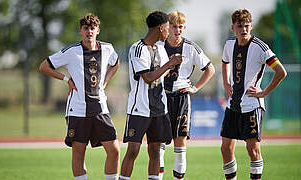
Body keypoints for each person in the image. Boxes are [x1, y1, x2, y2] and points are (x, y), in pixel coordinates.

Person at [39, 13, 120, 180]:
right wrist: (66, 79)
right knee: (79, 153)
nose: (89, 32)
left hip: (100, 108)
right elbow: (44, 66)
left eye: (92, 28)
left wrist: (105, 81)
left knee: (114, 150)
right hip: (77, 109)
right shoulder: (71, 51)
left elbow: (116, 63)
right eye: (86, 28)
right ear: (80, 31)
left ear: (98, 30)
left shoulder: (107, 48)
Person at [220, 9, 287, 180]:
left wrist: (264, 92)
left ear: (251, 26)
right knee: (226, 148)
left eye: (247, 26)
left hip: (251, 106)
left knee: (253, 150)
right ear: (233, 27)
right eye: (240, 26)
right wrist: (226, 83)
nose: (244, 29)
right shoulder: (229, 45)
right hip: (232, 105)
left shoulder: (261, 47)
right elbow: (225, 62)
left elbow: (281, 72)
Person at [119, 11, 183, 180]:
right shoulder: (137, 48)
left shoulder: (161, 50)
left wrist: (180, 79)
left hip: (159, 109)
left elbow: (161, 76)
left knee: (155, 151)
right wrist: (170, 64)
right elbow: (147, 77)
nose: (169, 32)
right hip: (139, 108)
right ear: (161, 28)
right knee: (133, 151)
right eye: (168, 28)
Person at [157, 11, 215, 180]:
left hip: (182, 98)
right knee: (159, 144)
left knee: (180, 144)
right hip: (161, 98)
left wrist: (195, 88)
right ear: (168, 27)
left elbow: (210, 69)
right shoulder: (159, 46)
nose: (177, 30)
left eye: (180, 27)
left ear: (184, 27)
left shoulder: (191, 47)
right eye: (174, 26)